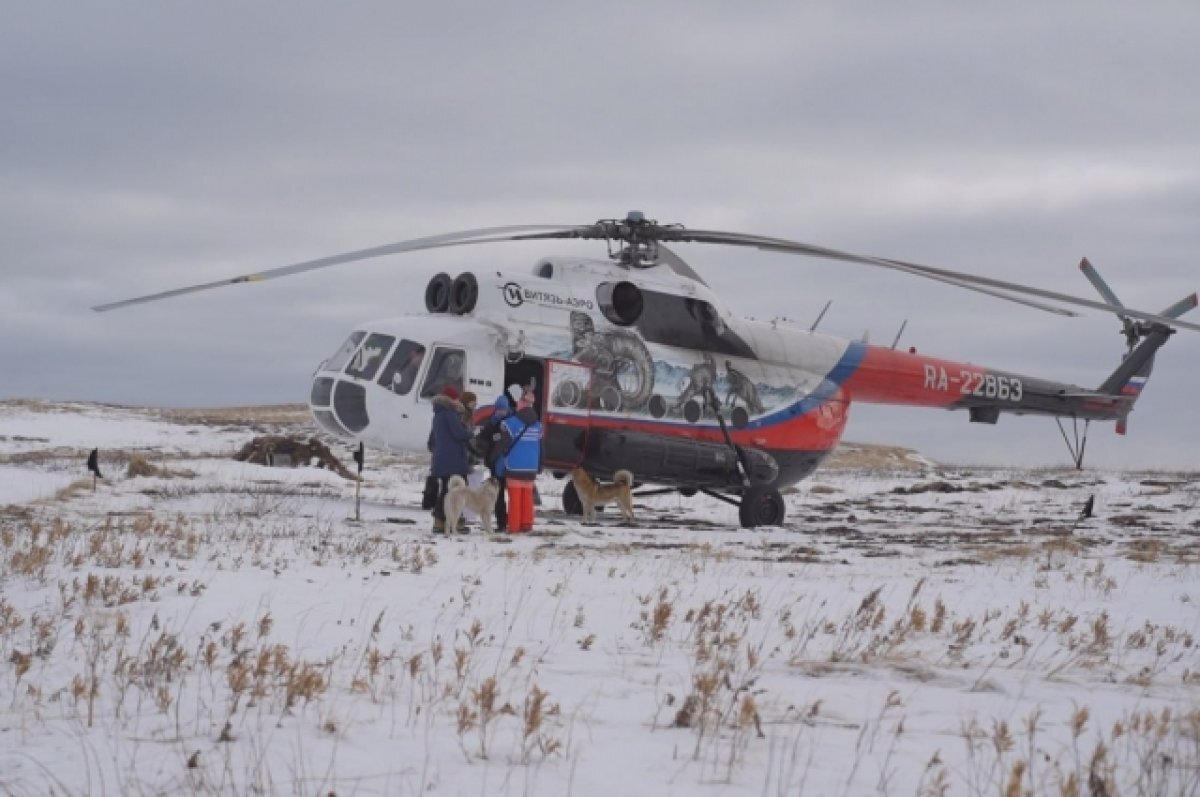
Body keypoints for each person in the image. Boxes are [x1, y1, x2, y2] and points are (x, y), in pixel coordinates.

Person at [428, 385, 472, 534]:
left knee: (446, 492)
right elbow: (459, 434)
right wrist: (470, 432)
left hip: (442, 459)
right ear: (453, 400)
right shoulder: (450, 414)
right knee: (458, 491)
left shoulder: (438, 415)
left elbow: (433, 440)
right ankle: (456, 522)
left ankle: (439, 522)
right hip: (454, 460)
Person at [500, 387, 542, 533]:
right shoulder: (538, 425)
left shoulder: (511, 423)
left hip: (515, 465)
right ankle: (527, 523)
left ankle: (514, 526)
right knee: (527, 496)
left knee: (515, 497)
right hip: (531, 466)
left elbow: (504, 443)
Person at [473, 393, 513, 531]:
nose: (501, 412)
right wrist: (491, 425)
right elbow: (484, 438)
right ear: (495, 409)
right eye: (499, 409)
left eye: (504, 409)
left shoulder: (511, 422)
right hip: (495, 464)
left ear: (508, 409)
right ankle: (501, 523)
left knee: (512, 494)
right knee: (498, 495)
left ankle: (512, 522)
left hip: (509, 464)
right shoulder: (492, 422)